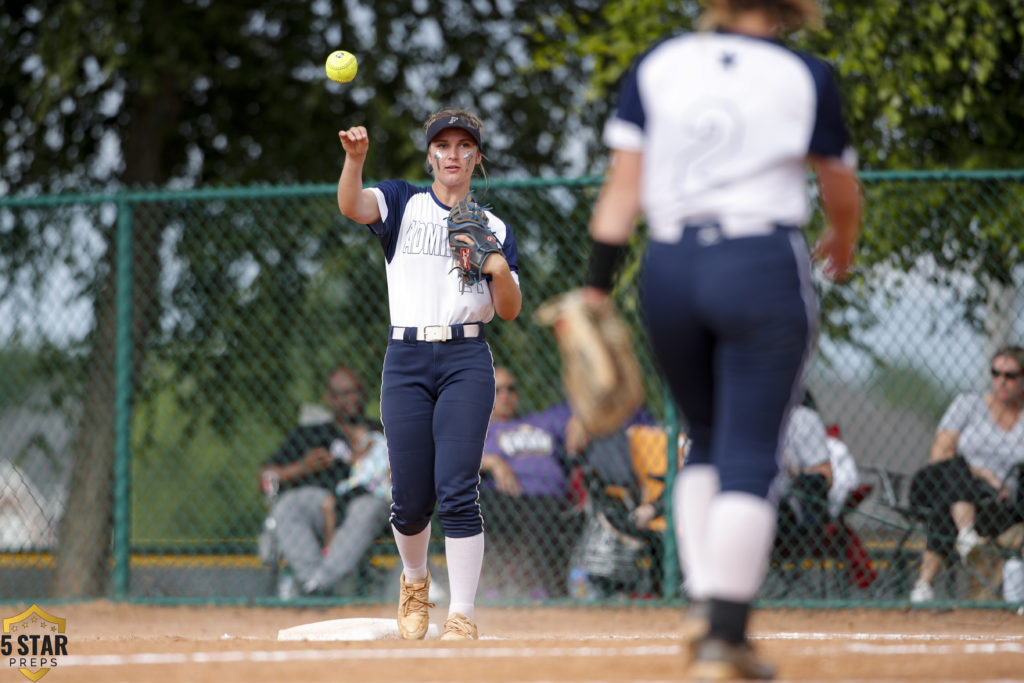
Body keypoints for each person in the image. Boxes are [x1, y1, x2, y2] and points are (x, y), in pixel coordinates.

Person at [584, 0, 861, 677]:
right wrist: (844, 238)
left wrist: (595, 290)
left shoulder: (661, 63)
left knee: (704, 439)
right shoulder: (806, 75)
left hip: (670, 268)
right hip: (759, 263)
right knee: (750, 452)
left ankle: (704, 607)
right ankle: (724, 634)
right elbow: (839, 185)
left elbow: (623, 191)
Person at [336, 109, 522, 640]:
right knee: (412, 497)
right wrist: (355, 161)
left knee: (458, 488)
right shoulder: (403, 202)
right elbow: (351, 205)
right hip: (407, 358)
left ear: (476, 158)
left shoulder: (494, 227)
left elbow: (508, 309)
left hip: (466, 358)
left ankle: (461, 611)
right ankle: (415, 580)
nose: (454, 155)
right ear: (431, 155)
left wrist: (497, 267)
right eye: (443, 145)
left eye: (465, 146)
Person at [259, 365, 391, 597]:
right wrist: (301, 467)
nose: (352, 398)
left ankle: (319, 584)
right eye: (343, 393)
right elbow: (267, 475)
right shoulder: (311, 433)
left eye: (356, 391)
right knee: (289, 504)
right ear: (328, 398)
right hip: (320, 505)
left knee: (365, 507)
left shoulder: (380, 431)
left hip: (366, 503)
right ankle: (311, 578)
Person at [908, 345, 1024, 604]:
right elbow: (939, 455)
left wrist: (996, 484)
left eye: (1010, 375)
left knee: (947, 501)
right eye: (996, 373)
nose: (1001, 381)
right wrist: (984, 473)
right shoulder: (968, 405)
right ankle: (966, 534)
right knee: (956, 467)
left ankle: (925, 582)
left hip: (998, 502)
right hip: (951, 480)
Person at [478, 367, 582, 598]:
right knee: (530, 515)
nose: (505, 395)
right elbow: (452, 457)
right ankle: (515, 588)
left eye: (510, 389)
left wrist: (578, 421)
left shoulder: (541, 421)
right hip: (506, 497)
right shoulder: (479, 429)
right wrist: (492, 462)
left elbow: (582, 404)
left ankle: (544, 591)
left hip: (552, 498)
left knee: (548, 514)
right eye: (497, 390)